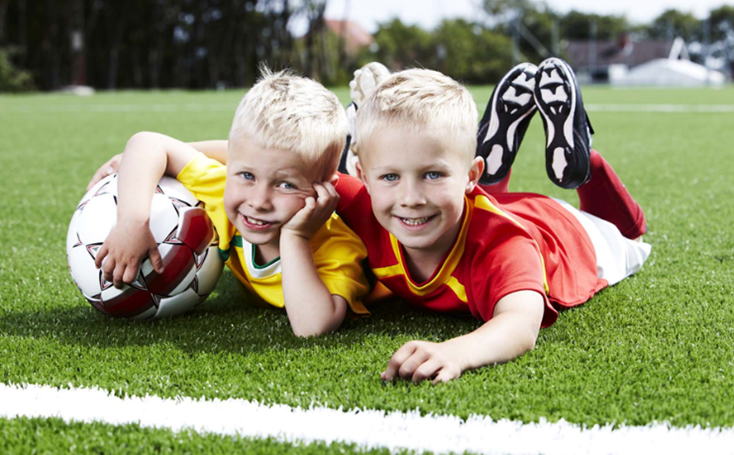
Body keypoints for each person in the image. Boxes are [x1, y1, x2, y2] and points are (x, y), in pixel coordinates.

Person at [332, 58, 651, 383]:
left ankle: (585, 158)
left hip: (573, 231)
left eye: (432, 174)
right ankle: (390, 146)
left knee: (631, 237)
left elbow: (520, 323)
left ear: (473, 175)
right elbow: (304, 174)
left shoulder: (505, 245)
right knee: (455, 203)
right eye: (389, 176)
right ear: (362, 178)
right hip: (487, 205)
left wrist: (456, 352)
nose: (410, 198)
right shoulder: (368, 203)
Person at [93, 69, 371, 337]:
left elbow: (312, 328)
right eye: (247, 175)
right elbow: (147, 142)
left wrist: (295, 236)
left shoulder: (337, 248)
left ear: (325, 190)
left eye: (285, 185)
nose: (259, 202)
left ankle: (364, 136)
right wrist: (132, 221)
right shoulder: (222, 188)